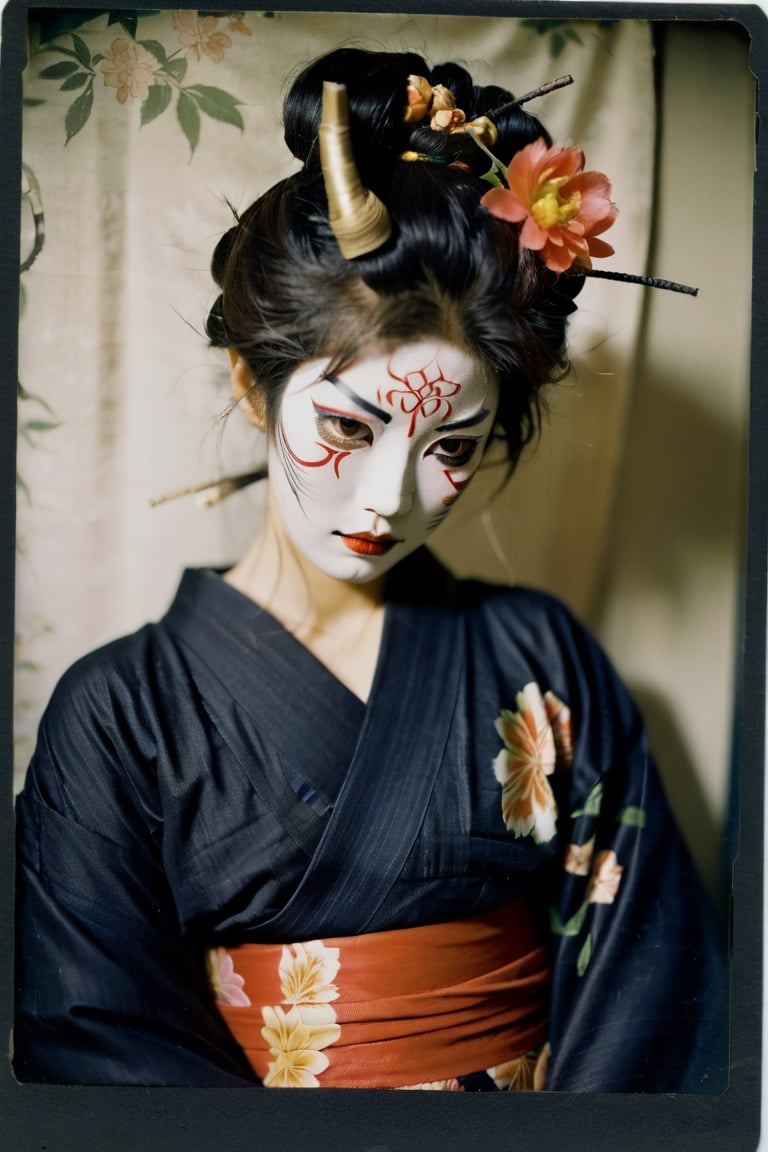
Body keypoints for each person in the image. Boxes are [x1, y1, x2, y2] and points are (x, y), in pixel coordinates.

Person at [14, 47, 727, 1092]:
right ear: (253, 388)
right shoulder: (121, 714)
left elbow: (649, 1002)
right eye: (350, 424)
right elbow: (98, 1037)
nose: (392, 496)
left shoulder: (543, 656)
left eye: (451, 447)